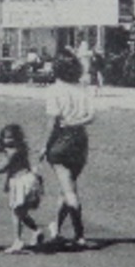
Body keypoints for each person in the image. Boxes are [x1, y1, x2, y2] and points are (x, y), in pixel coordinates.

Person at [43, 55, 95, 247]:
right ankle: (56, 227)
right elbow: (91, 117)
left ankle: (79, 234)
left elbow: (52, 123)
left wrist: (44, 146)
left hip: (61, 140)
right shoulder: (82, 91)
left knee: (70, 191)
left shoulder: (54, 91)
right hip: (80, 140)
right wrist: (76, 122)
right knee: (67, 186)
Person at [0, 123, 49, 253]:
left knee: (16, 212)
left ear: (17, 138)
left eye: (11, 138)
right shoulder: (17, 148)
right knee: (21, 212)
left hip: (21, 182)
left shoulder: (15, 151)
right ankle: (36, 230)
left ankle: (17, 240)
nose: (8, 140)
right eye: (5, 138)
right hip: (23, 181)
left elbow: (4, 167)